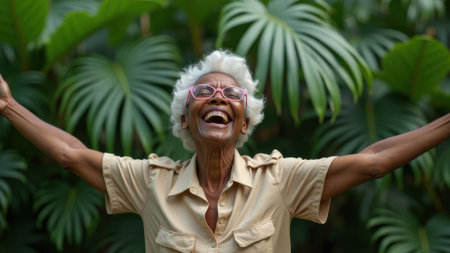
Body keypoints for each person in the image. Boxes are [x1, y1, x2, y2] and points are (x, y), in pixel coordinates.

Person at [0, 50, 448, 252]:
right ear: (184, 120)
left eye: (230, 94)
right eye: (205, 91)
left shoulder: (281, 179)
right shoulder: (149, 182)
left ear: (245, 123)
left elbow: (374, 161)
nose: (218, 97)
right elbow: (70, 155)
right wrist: (8, 105)